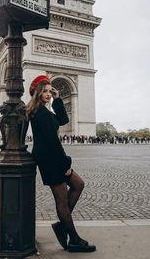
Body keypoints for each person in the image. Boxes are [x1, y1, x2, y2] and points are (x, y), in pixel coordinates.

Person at [26, 75, 96, 253]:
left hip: (50, 157)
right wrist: (66, 164)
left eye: (51, 91)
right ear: (37, 92)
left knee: (78, 185)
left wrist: (58, 99)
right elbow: (52, 142)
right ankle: (74, 239)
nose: (49, 94)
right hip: (51, 159)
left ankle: (62, 225)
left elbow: (63, 120)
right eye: (46, 91)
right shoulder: (39, 113)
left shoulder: (43, 110)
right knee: (62, 200)